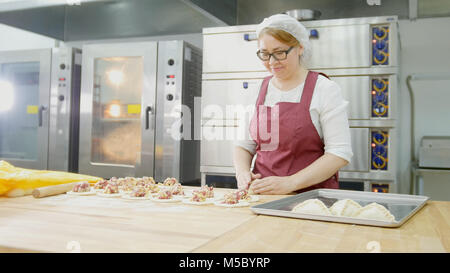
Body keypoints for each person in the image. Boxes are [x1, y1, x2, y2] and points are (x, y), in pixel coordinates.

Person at [233, 14, 353, 195]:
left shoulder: (325, 89)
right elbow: (244, 145)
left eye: (280, 52)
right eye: (265, 54)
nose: (272, 62)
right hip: (262, 198)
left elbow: (339, 153)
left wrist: (291, 183)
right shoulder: (256, 90)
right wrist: (242, 173)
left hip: (312, 199)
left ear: (300, 48)